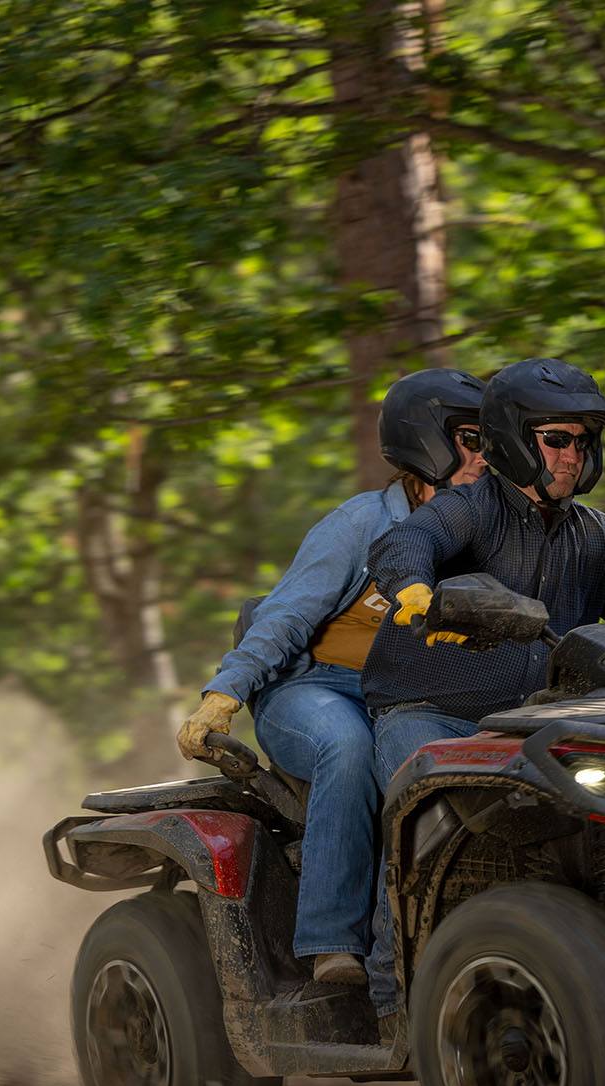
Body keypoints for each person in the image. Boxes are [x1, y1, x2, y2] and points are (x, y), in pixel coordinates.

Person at [359, 357, 605, 1024]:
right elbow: (408, 543)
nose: (572, 456)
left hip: (538, 720)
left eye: (582, 441)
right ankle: (391, 1003)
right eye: (558, 439)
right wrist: (415, 592)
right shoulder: (470, 509)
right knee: (420, 809)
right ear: (517, 441)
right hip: (434, 713)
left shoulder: (594, 535)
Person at [176, 368, 487, 987]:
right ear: (427, 441)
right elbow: (286, 615)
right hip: (314, 690)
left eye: (493, 445)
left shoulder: (488, 536)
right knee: (347, 747)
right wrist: (224, 694)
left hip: (408, 701)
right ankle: (332, 947)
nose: (486, 459)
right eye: (473, 441)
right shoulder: (359, 522)